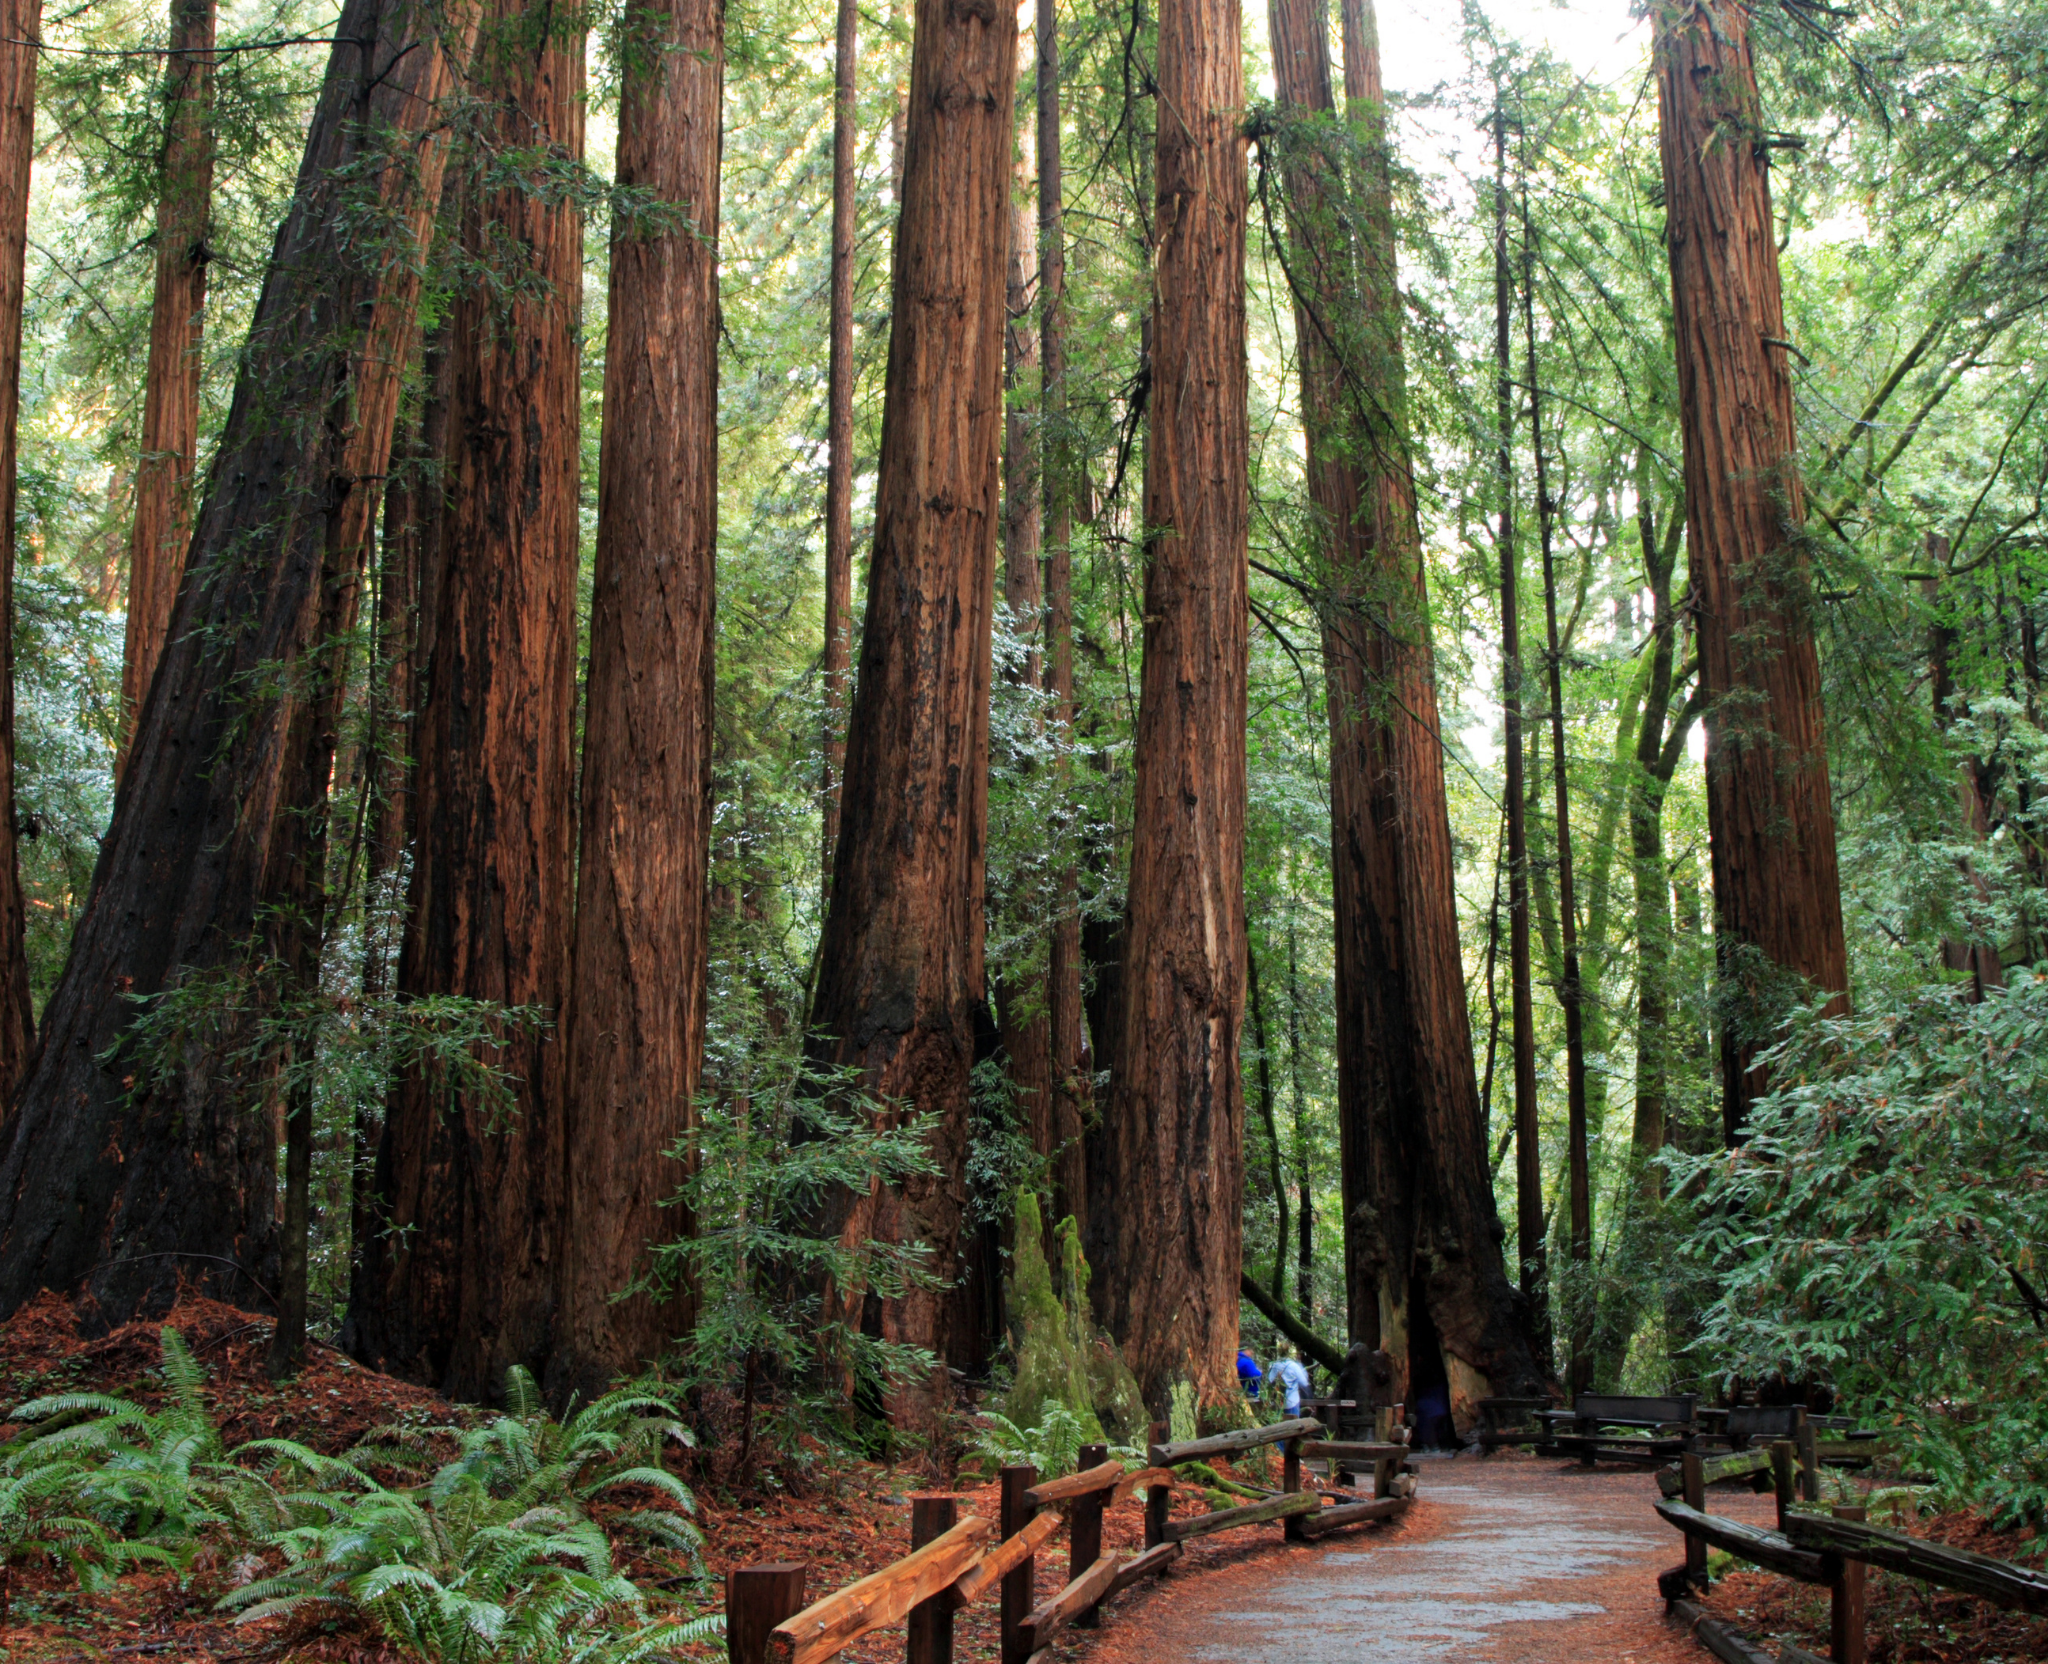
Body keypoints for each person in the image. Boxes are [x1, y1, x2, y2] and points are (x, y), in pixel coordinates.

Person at [1268, 1344, 1312, 1416]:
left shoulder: (1275, 1365)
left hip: (1278, 1402)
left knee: (1279, 1425)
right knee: (1294, 1425)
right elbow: (1304, 1382)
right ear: (1288, 1353)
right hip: (1292, 1401)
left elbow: (1270, 1379)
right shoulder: (1293, 1365)